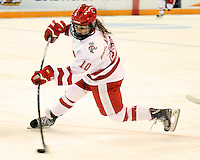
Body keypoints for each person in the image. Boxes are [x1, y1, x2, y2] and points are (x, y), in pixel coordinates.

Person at [30, 4, 175, 132]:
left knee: (118, 115)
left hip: (105, 79)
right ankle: (51, 117)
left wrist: (49, 75)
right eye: (76, 26)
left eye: (82, 28)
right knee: (72, 93)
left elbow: (73, 74)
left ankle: (159, 113)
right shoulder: (91, 29)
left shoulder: (93, 47)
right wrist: (62, 29)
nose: (78, 31)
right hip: (94, 72)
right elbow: (78, 31)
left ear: (91, 26)